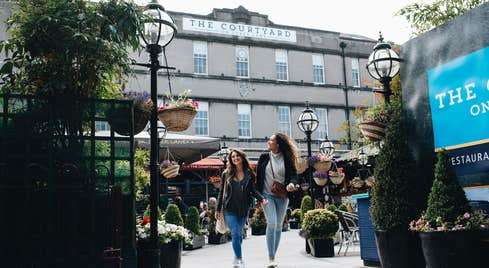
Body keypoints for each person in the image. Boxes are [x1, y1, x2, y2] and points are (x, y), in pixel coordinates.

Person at [216, 148, 268, 268]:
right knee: (235, 233)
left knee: (239, 234)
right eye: (233, 157)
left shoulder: (249, 173)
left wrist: (262, 199)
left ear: (242, 157)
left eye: (237, 156)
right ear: (231, 159)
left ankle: (236, 255)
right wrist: (218, 209)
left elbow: (253, 190)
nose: (235, 158)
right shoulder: (226, 173)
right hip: (229, 208)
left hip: (243, 208)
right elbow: (221, 193)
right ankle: (239, 259)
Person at [256, 132, 299, 268]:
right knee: (272, 223)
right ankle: (271, 257)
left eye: (271, 140)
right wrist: (259, 197)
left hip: (282, 195)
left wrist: (292, 184)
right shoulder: (263, 157)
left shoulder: (287, 158)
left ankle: (273, 254)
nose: (268, 142)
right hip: (267, 195)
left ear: (278, 144)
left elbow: (294, 175)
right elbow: (258, 180)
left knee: (279, 226)